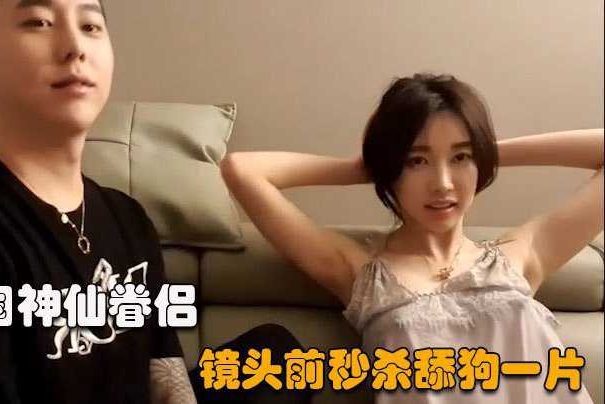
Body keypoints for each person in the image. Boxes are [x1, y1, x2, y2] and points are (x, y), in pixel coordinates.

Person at [0, 1, 310, 403]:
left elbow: (163, 367)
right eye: (38, 22)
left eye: (90, 26)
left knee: (277, 356)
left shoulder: (127, 217)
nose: (75, 47)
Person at [221, 73, 603, 403]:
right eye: (416, 161)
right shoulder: (363, 276)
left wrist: (485, 150)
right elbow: (242, 170)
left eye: (460, 158)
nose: (443, 183)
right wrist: (373, 165)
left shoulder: (520, 256)